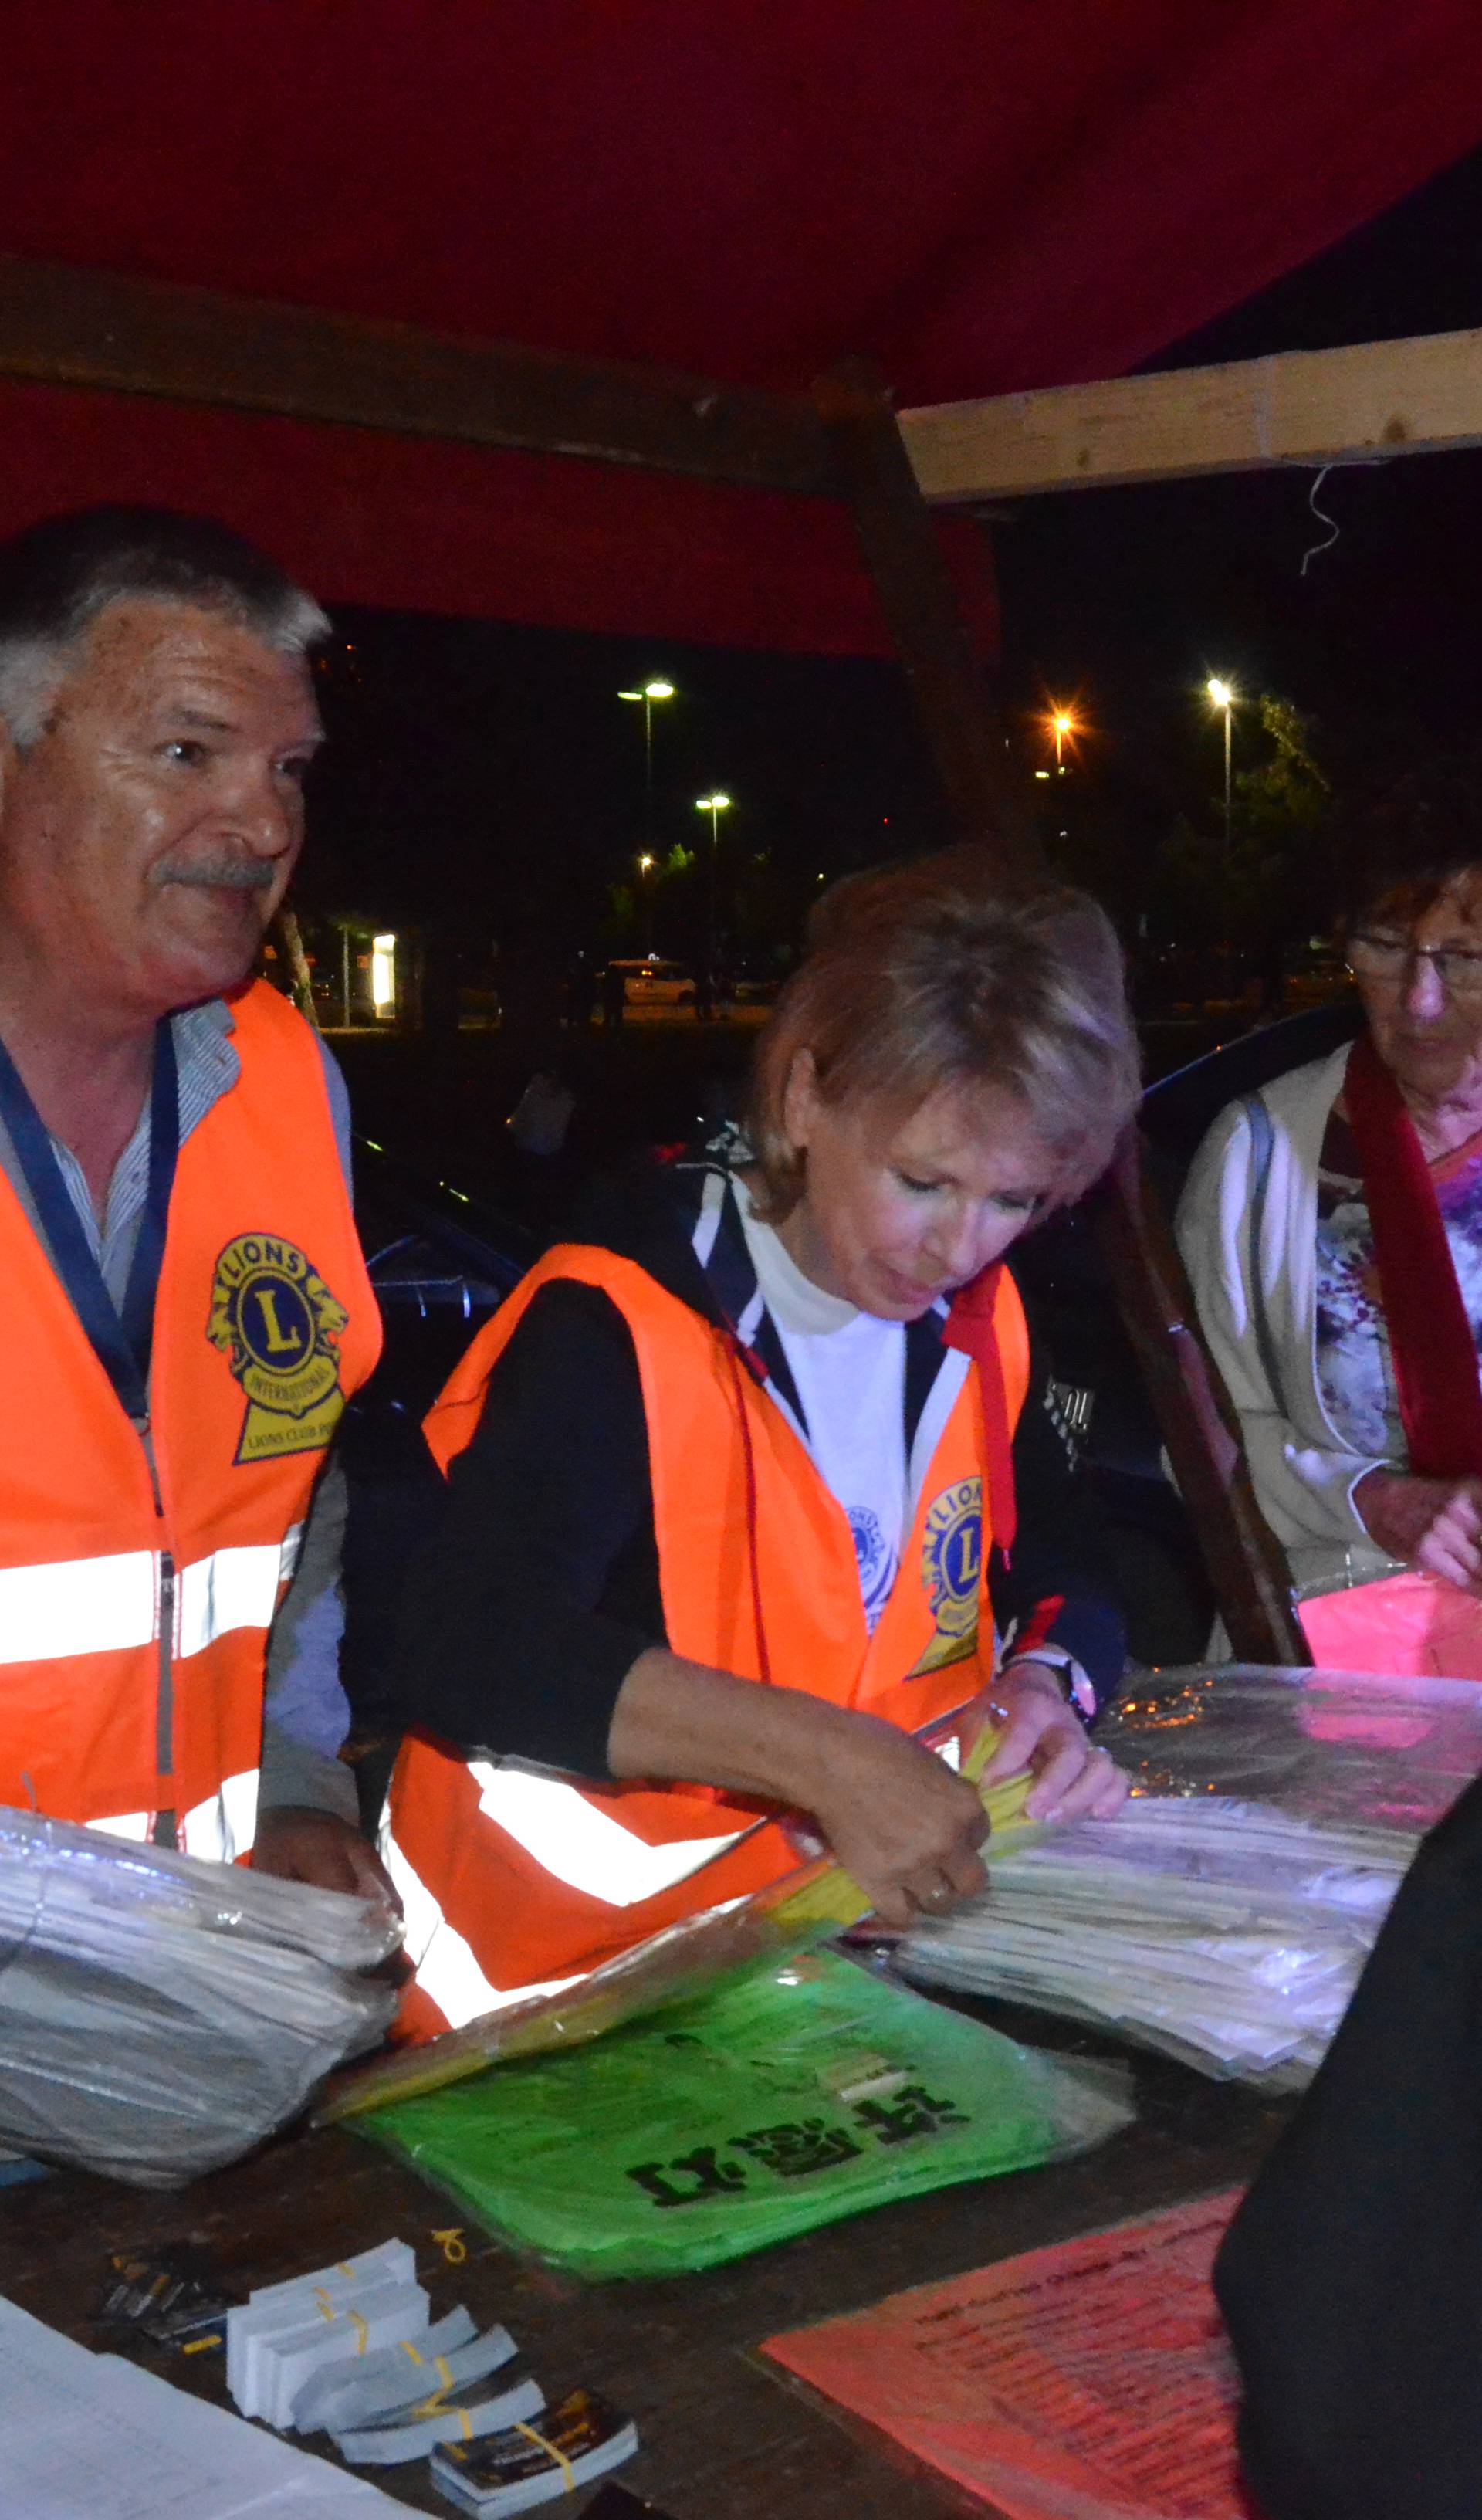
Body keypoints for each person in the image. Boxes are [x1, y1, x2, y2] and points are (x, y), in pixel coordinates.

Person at [385, 851, 1140, 2038]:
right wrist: (830, 1764)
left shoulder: (983, 1323)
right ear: (803, 1099)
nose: (958, 1246)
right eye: (922, 1181)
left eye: (1014, 1203)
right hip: (571, 2003)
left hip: (839, 1975)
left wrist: (1048, 1685)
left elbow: (1071, 1564)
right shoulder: (617, 1314)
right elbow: (460, 1641)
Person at [0, 504, 387, 1895]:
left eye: (288, 767)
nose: (266, 820)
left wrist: (294, 1786)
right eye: (188, 752)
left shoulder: (285, 1083)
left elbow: (295, 1491)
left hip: (190, 1987)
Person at [1178, 775, 1482, 1671]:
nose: (1419, 1001)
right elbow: (1200, 1433)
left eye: (1463, 957)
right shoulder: (1260, 1156)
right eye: (1387, 949)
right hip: (1343, 1650)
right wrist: (1369, 1500)